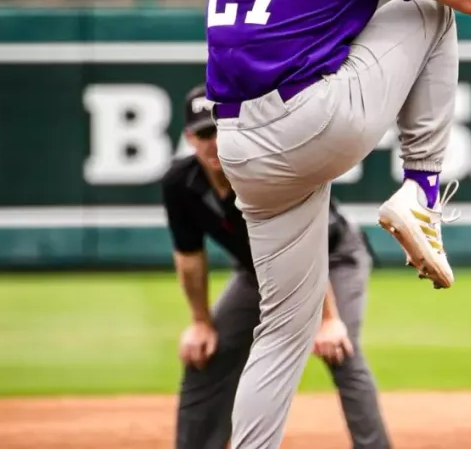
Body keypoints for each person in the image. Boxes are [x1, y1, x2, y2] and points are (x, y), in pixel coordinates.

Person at [204, 0, 471, 449]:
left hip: (241, 145)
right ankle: (421, 191)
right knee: (434, 6)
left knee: (282, 327)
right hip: (311, 121)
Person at [163, 84, 393, 449]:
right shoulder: (181, 184)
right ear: (190, 138)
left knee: (340, 350)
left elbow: (309, 247)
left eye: (220, 128)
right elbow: (189, 257)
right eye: (204, 133)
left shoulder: (263, 169)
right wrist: (200, 322)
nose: (214, 142)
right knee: (209, 353)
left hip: (332, 258)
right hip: (261, 268)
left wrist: (328, 320)